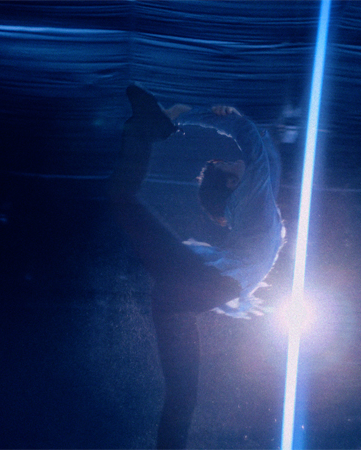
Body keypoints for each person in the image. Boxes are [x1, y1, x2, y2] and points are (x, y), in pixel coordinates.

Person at [107, 84, 284, 448]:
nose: (236, 161)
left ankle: (150, 126)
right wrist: (223, 117)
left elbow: (254, 140)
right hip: (190, 292)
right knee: (182, 396)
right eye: (231, 164)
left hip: (187, 290)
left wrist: (186, 116)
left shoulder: (254, 198)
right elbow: (253, 140)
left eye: (228, 163)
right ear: (234, 182)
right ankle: (150, 124)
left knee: (183, 396)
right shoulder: (254, 196)